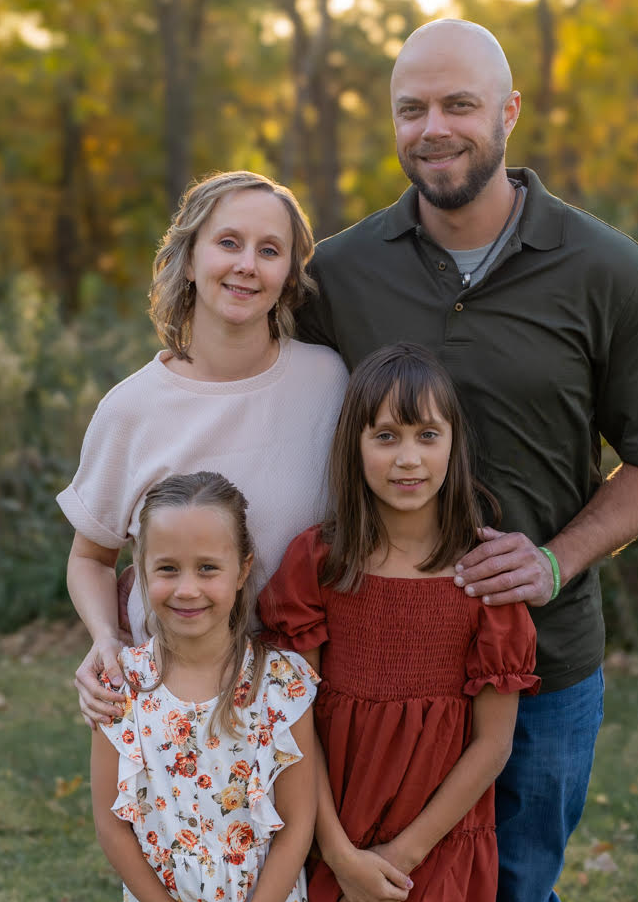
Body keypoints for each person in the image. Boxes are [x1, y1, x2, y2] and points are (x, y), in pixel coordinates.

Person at [295, 19, 638, 902]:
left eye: (458, 105)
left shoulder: (607, 269)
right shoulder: (339, 272)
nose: (433, 128)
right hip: (374, 670)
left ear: (508, 112)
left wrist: (556, 559)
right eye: (411, 109)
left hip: (542, 663)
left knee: (515, 885)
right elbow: (262, 396)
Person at [57, 170, 348, 727]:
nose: (247, 265)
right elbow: (90, 558)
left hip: (304, 699)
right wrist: (105, 638)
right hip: (171, 703)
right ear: (189, 260)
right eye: (229, 243)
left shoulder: (330, 382)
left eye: (269, 250)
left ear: (289, 277)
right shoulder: (131, 408)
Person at [259, 344, 540, 902]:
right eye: (386, 436)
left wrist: (401, 857)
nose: (408, 458)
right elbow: (293, 720)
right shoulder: (317, 564)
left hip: (439, 844)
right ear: (355, 446)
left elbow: (493, 744)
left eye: (427, 435)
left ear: (454, 443)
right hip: (329, 831)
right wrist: (339, 855)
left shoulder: (485, 578)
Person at [91, 471, 319, 902]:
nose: (187, 589)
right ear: (142, 570)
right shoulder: (122, 686)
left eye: (208, 568)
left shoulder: (280, 685)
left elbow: (297, 823)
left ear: (242, 570)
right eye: (168, 569)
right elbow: (111, 826)